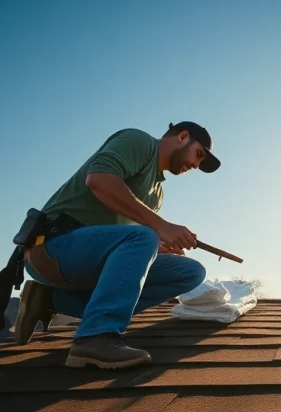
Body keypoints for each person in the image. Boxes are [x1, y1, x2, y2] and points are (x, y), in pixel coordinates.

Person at [13, 121, 220, 369]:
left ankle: (50, 299)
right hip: (52, 247)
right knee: (146, 236)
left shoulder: (157, 193)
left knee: (189, 272)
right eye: (198, 155)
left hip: (87, 260)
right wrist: (161, 228)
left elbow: (127, 241)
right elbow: (98, 180)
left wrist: (159, 248)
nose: (196, 165)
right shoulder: (140, 142)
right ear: (183, 136)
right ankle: (95, 337)